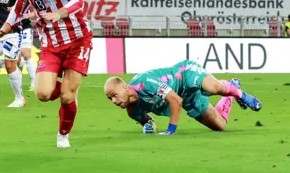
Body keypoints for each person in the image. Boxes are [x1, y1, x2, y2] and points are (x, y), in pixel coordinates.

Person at [0, 0, 92, 148]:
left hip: (78, 40)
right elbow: (18, 10)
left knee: (66, 97)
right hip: (51, 44)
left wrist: (60, 13)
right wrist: (3, 30)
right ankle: (68, 90)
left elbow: (78, 0)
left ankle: (63, 134)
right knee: (43, 93)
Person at [104, 60, 262, 135]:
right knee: (220, 126)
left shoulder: (145, 83)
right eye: (110, 99)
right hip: (186, 97)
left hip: (185, 75)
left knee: (215, 88)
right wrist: (148, 125)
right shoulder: (132, 111)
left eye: (114, 96)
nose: (114, 101)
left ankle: (241, 95)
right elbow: (147, 121)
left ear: (125, 87)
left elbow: (175, 100)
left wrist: (171, 130)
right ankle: (233, 89)